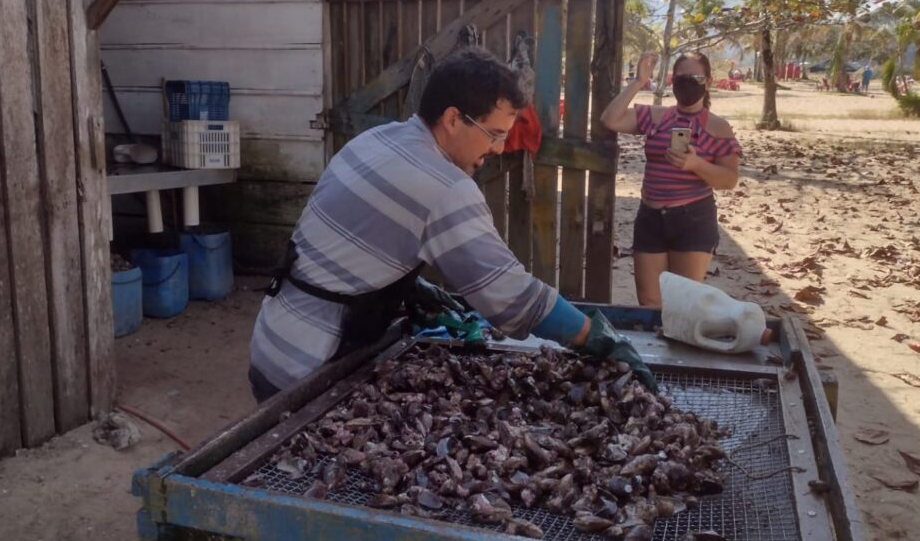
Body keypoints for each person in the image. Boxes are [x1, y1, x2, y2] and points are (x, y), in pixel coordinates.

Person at [248, 49, 657, 402]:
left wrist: (407, 285)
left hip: (270, 342)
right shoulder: (444, 187)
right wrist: (597, 340)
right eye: (493, 134)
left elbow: (350, 245)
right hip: (307, 371)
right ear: (452, 119)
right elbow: (512, 298)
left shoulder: (376, 140)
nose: (498, 149)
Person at [600, 51, 742, 328]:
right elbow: (610, 119)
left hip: (692, 219)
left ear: (708, 82)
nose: (687, 84)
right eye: (681, 78)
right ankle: (655, 366)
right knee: (650, 304)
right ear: (672, 81)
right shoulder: (657, 117)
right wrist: (639, 81)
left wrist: (696, 164)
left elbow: (729, 179)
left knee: (684, 305)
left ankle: (681, 364)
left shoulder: (718, 127)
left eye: (696, 78)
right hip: (651, 218)